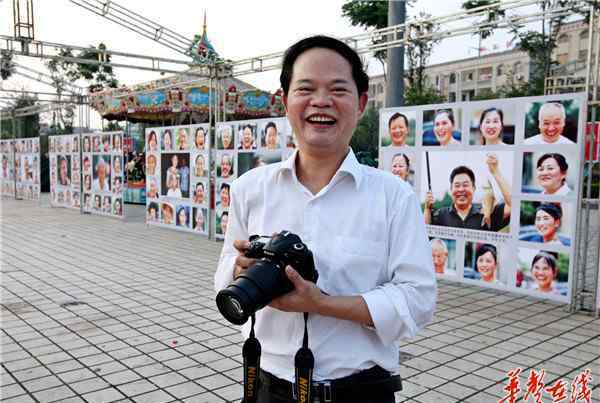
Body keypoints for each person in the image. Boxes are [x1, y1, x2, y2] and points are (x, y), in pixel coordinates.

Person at [214, 35, 435, 403]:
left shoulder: (393, 196)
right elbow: (223, 272)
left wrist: (320, 304)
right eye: (305, 88)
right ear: (284, 101)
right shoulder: (249, 189)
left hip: (361, 392)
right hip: (268, 389)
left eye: (337, 89)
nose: (321, 101)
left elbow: (417, 300)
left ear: (361, 103)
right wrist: (241, 269)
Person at [424, 155, 511, 231]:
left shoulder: (486, 212)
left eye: (465, 185)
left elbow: (512, 206)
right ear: (451, 190)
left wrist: (495, 172)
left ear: (474, 188)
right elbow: (424, 231)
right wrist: (427, 208)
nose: (461, 189)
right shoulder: (440, 214)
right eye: (457, 185)